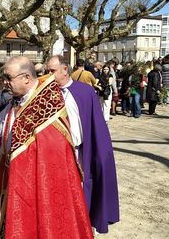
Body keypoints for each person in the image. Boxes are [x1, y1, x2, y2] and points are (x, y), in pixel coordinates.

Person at [0, 56, 93, 238]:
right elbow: (0, 125)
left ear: (26, 78)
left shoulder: (49, 103)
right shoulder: (16, 100)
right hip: (15, 178)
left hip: (40, 181)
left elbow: (57, 147)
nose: (5, 83)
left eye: (8, 78)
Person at [46, 55, 120, 234]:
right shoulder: (46, 94)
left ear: (65, 70)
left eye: (52, 71)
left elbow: (97, 125)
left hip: (78, 153)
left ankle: (83, 227)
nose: (48, 75)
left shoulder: (85, 92)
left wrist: (101, 154)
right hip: (54, 156)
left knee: (80, 191)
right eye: (47, 71)